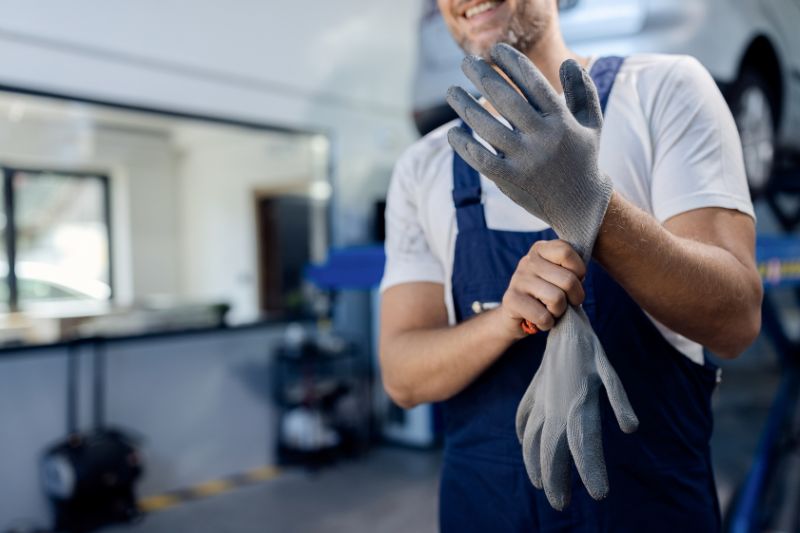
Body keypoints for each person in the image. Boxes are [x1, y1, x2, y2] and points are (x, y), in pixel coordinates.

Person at [379, 0, 763, 531]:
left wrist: (592, 206)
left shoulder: (664, 92)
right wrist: (506, 319)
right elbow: (402, 375)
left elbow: (735, 320)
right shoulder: (425, 167)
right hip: (484, 511)